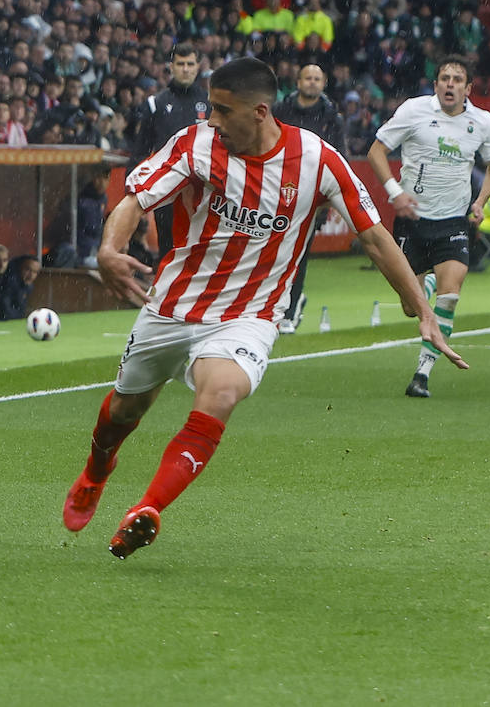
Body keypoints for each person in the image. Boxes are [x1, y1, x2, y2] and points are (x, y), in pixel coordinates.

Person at [62, 57, 467, 560]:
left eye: (221, 110)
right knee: (123, 411)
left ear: (258, 112)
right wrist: (108, 250)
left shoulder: (317, 159)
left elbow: (375, 236)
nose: (211, 119)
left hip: (249, 314)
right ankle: (96, 472)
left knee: (223, 393)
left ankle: (145, 510)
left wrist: (422, 311)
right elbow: (134, 200)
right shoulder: (196, 144)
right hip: (171, 304)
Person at [366, 56, 490, 398]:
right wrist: (396, 194)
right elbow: (377, 151)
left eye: (457, 79)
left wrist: (480, 201)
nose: (450, 84)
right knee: (411, 307)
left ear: (468, 88)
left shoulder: (482, 122)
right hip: (411, 221)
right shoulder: (414, 111)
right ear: (436, 83)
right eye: (444, 78)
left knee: (451, 296)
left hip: (454, 222)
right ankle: (423, 285)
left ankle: (422, 374)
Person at [271, 64, 345, 333]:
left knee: (298, 254)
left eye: (317, 78)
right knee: (272, 252)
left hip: (312, 195)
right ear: (298, 81)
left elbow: (339, 157)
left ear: (323, 82)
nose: (312, 83)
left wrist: (330, 198)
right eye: (308, 78)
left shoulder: (331, 116)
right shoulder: (280, 110)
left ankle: (289, 310)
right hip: (276, 191)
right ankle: (273, 304)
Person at [129, 44, 209, 260]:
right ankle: (166, 293)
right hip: (167, 188)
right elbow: (140, 150)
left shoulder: (210, 103)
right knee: (168, 249)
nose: (185, 69)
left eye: (190, 64)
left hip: (203, 188)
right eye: (180, 64)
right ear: (171, 67)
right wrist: (134, 191)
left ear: (197, 67)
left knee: (202, 249)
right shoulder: (155, 104)